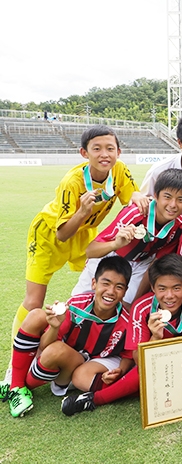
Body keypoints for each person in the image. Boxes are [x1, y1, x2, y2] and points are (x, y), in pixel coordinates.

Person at [10, 125, 143, 348]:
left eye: (110, 148)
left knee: (100, 283)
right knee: (34, 301)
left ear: (118, 152)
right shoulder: (72, 181)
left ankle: (87, 342)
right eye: (97, 149)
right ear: (84, 153)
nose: (104, 154)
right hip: (48, 236)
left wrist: (139, 196)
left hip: (85, 234)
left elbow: (132, 198)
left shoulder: (119, 170)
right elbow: (62, 234)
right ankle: (19, 356)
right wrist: (82, 211)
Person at [60, 254, 182, 416]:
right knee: (144, 372)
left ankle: (96, 398)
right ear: (152, 287)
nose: (169, 296)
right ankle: (99, 398)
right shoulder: (142, 309)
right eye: (162, 288)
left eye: (176, 288)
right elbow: (140, 361)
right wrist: (155, 338)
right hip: (154, 367)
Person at [1, 256, 133, 418]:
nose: (111, 291)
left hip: (82, 365)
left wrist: (119, 372)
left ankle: (16, 385)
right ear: (94, 283)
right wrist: (55, 327)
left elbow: (128, 354)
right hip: (65, 358)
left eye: (118, 287)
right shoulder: (76, 305)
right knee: (36, 316)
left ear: (125, 291)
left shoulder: (127, 321)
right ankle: (16, 385)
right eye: (105, 283)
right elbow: (44, 346)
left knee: (56, 352)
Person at [72, 169, 182, 307]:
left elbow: (154, 263)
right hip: (111, 254)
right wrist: (115, 244)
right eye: (167, 197)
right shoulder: (135, 213)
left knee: (126, 307)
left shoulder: (180, 227)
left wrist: (136, 302)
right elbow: (90, 251)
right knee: (79, 303)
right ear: (155, 195)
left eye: (181, 200)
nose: (173, 205)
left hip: (141, 263)